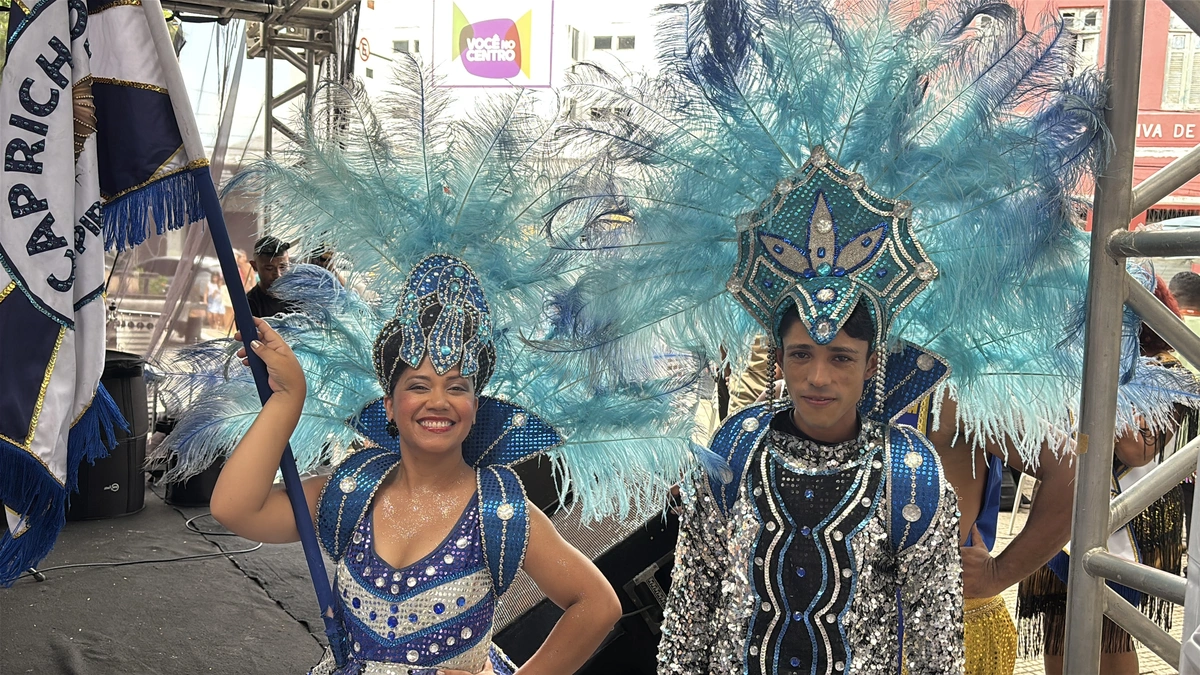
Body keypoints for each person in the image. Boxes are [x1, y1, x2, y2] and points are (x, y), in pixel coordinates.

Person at [211, 256, 622, 675]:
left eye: (456, 387)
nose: (438, 401)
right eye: (418, 385)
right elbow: (235, 508)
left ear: (475, 408)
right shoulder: (349, 490)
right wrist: (288, 399)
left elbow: (598, 605)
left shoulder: (500, 511)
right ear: (390, 406)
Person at [1017, 273, 1191, 675]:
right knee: (1060, 632)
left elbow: (1136, 448)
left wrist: (1095, 383)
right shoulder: (1065, 360)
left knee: (1111, 634)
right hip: (1062, 514)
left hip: (1125, 522)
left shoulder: (1167, 370)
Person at [247, 235, 298, 318]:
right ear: (254, 266)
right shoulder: (249, 305)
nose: (278, 274)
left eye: (282, 267)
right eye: (269, 268)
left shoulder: (299, 296)